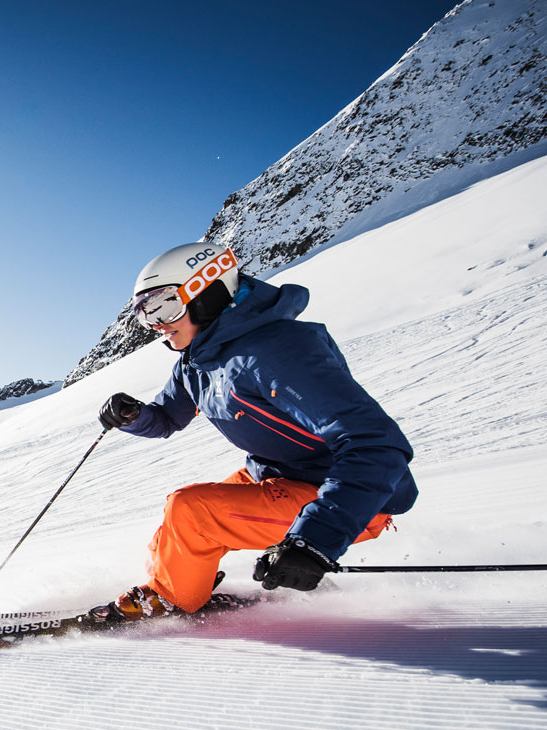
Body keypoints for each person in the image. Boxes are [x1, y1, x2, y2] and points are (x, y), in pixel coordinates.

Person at [92, 242, 417, 623]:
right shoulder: (198, 360)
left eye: (163, 306)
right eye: (144, 315)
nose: (156, 324)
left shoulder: (279, 351)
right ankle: (175, 583)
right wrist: (134, 416)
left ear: (207, 293)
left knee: (192, 513)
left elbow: (377, 445)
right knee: (174, 526)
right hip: (279, 473)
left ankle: (170, 599)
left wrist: (315, 540)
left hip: (353, 497)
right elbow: (166, 417)